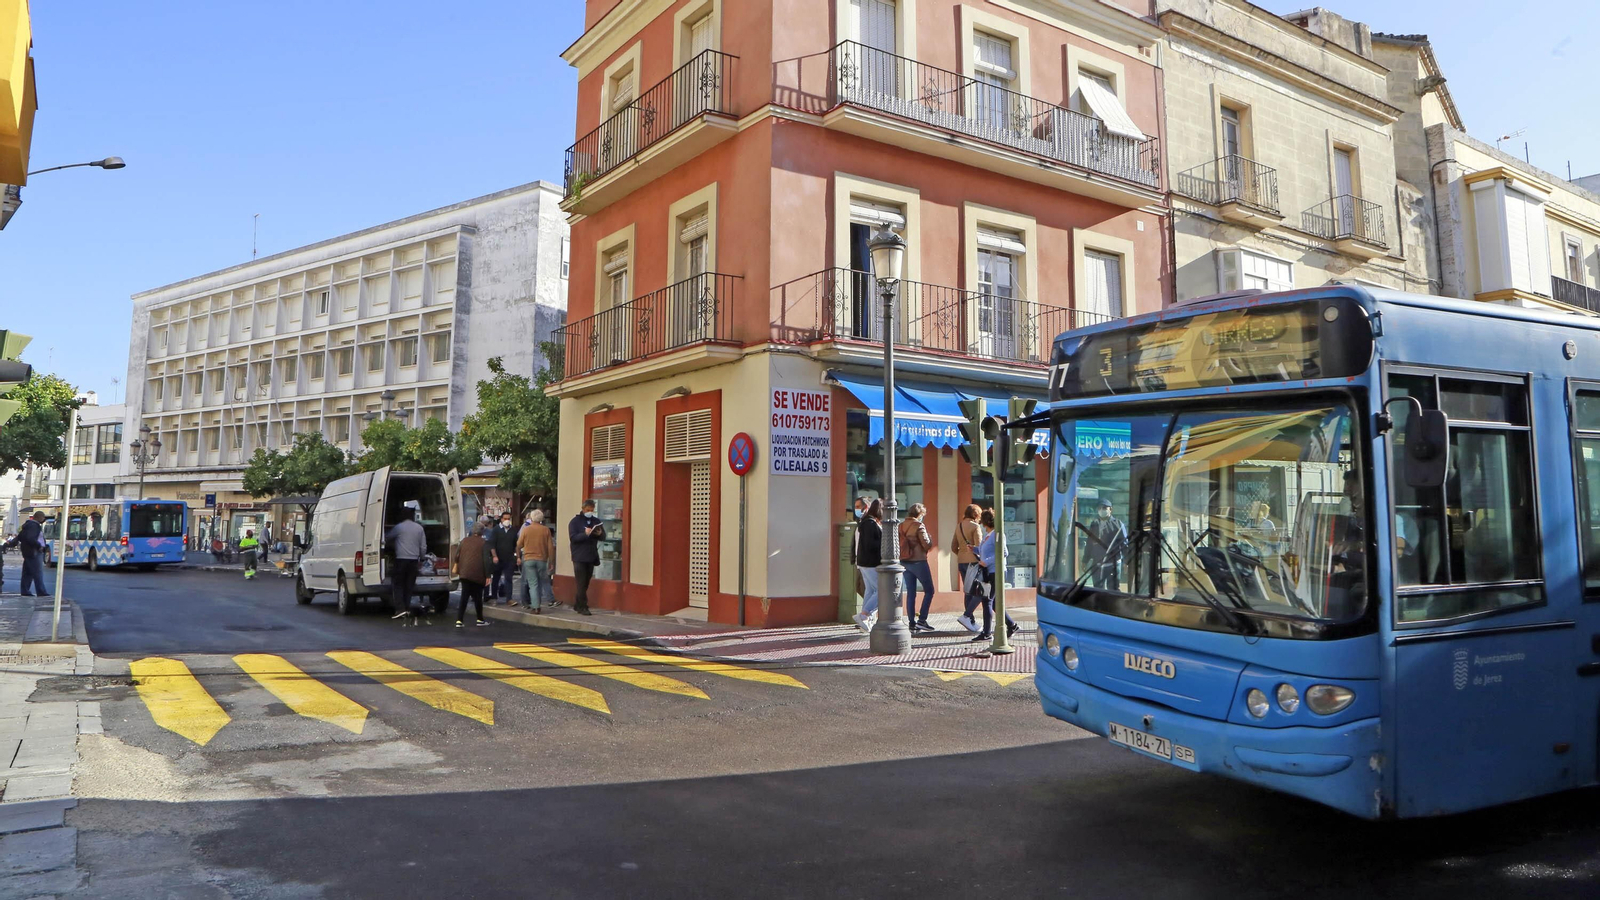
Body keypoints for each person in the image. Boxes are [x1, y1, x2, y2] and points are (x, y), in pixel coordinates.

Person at [973, 508, 1019, 643]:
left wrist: (985, 562)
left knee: (987, 600)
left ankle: (987, 632)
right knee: (994, 603)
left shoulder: (997, 534)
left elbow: (1004, 552)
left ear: (985, 521)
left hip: (996, 571)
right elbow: (986, 551)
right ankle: (1012, 625)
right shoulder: (988, 535)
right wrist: (974, 549)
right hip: (989, 571)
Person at [386, 501, 430, 626]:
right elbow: (423, 546)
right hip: (413, 561)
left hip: (401, 560)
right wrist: (421, 558)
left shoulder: (399, 527)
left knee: (398, 584)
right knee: (409, 586)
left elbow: (388, 538)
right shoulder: (419, 528)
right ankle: (407, 607)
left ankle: (400, 609)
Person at [899, 503, 935, 633]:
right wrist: (930, 540)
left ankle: (911, 622)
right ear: (920, 515)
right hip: (918, 561)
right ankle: (922, 620)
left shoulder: (901, 526)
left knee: (910, 592)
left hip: (904, 561)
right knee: (930, 590)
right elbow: (926, 544)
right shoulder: (919, 526)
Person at [452, 522, 494, 627]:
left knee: (464, 596)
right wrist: (488, 575)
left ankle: (459, 620)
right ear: (482, 532)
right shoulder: (484, 543)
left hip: (464, 572)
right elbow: (486, 560)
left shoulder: (464, 541)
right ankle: (480, 619)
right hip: (478, 574)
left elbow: (456, 556)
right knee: (478, 597)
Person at [852, 499, 884, 633]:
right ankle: (864, 615)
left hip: (864, 562)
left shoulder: (865, 523)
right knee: (882, 591)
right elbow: (872, 544)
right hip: (871, 562)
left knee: (870, 590)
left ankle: (864, 621)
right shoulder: (871, 524)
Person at [568, 500, 605, 616]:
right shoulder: (575, 522)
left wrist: (599, 534)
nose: (589, 512)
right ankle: (583, 606)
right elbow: (573, 538)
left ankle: (578, 604)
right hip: (579, 556)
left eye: (591, 510)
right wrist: (585, 534)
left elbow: (603, 536)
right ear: (583, 509)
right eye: (587, 510)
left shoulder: (596, 521)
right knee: (580, 582)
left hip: (591, 555)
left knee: (586, 583)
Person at [951, 505, 984, 633]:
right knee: (977, 591)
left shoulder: (959, 526)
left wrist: (962, 554)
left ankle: (970, 619)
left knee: (967, 591)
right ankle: (968, 617)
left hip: (961, 561)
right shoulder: (975, 527)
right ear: (976, 515)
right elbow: (979, 547)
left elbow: (954, 546)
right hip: (973, 562)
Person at [518, 509, 558, 612]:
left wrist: (519, 555)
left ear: (531, 518)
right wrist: (552, 562)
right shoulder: (545, 530)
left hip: (528, 559)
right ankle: (544, 601)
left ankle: (536, 606)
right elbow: (550, 547)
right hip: (542, 559)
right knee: (542, 581)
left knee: (533, 584)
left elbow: (519, 544)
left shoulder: (526, 529)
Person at [1084, 499, 1128, 589]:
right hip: (1097, 564)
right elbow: (1089, 544)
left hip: (1114, 564)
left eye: (1104, 508)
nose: (1101, 510)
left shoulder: (1118, 524)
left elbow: (1124, 544)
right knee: (1098, 590)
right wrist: (1085, 560)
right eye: (1099, 508)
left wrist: (1126, 561)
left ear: (1110, 509)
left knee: (1113, 590)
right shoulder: (1094, 524)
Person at [2, 512, 48, 597]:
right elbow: (30, 538)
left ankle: (25, 591)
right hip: (34, 551)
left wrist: (9, 544)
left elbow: (20, 537)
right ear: (39, 517)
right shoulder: (34, 526)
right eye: (43, 517)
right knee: (37, 572)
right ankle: (41, 591)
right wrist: (39, 546)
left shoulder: (27, 525)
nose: (44, 519)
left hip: (27, 552)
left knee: (27, 573)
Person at [487, 512, 519, 603]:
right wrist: (494, 556)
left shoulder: (513, 530)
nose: (507, 520)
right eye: (505, 518)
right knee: (496, 578)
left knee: (509, 578)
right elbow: (492, 544)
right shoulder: (496, 530)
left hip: (509, 559)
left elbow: (516, 545)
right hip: (498, 558)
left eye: (508, 518)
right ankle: (494, 597)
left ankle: (509, 598)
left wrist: (518, 557)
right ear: (501, 519)